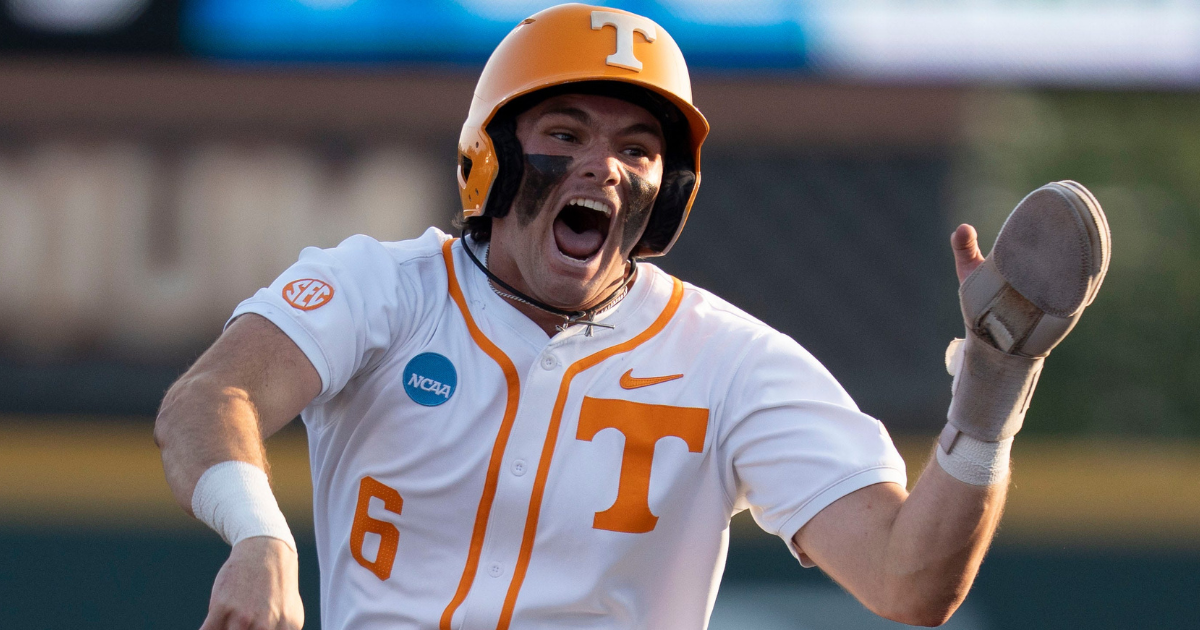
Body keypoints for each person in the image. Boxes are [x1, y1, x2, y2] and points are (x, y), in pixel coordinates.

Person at [154, 4, 1111, 630]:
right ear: (486, 163)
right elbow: (210, 396)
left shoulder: (734, 363)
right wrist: (260, 536)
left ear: (670, 192)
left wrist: (989, 396)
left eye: (637, 147)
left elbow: (910, 584)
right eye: (564, 133)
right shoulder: (383, 288)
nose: (601, 166)